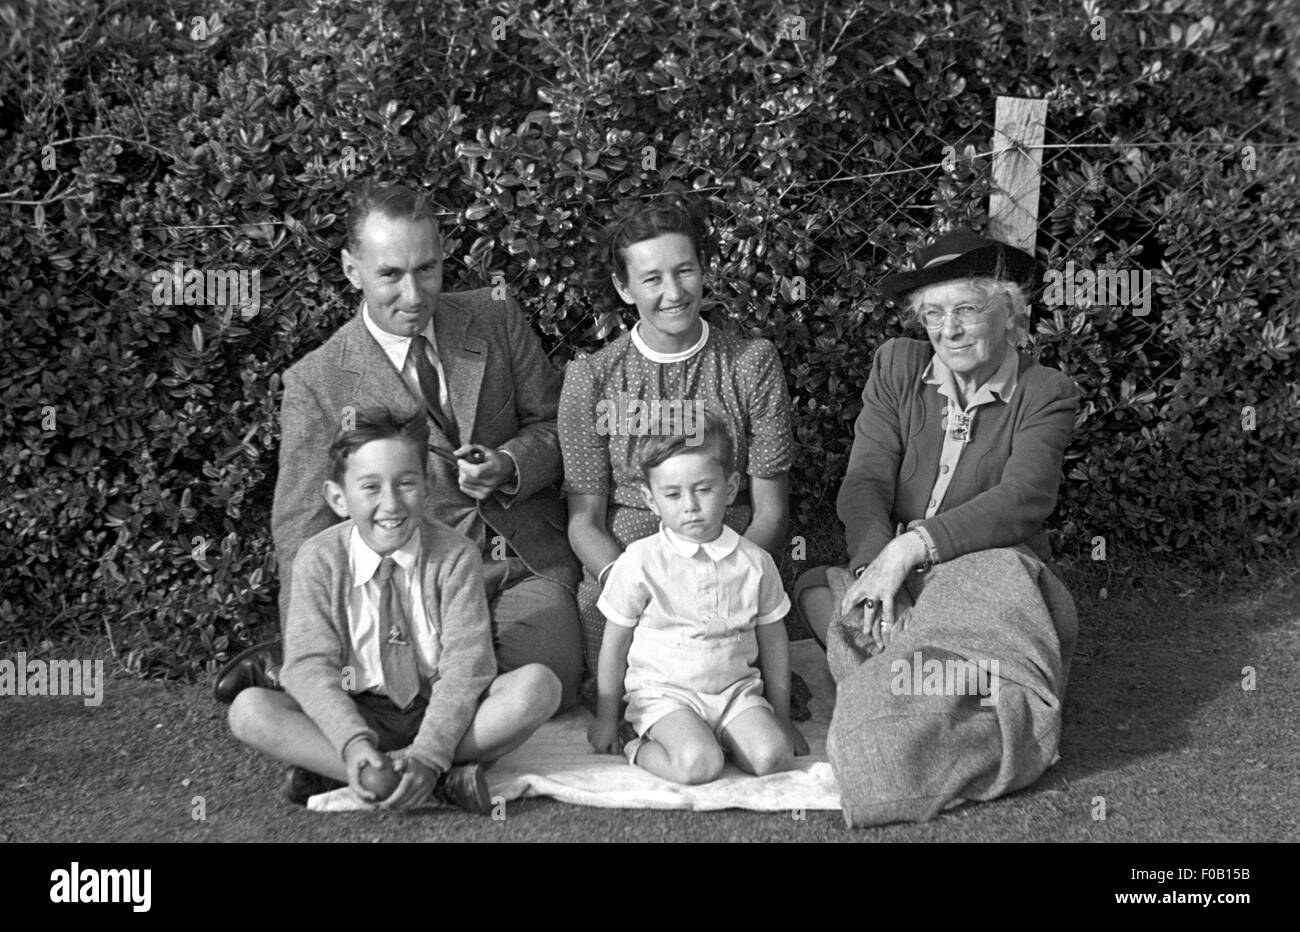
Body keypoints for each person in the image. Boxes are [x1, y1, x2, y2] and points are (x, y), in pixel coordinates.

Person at [215, 183, 583, 711]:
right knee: (460, 687)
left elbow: (554, 426)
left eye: (426, 270)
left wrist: (508, 464)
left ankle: (377, 719)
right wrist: (307, 647)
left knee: (550, 683)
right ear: (351, 270)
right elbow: (302, 527)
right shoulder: (318, 382)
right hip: (410, 582)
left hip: (520, 566)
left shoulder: (496, 317)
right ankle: (333, 685)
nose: (413, 295)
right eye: (390, 274)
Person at [794, 229, 1081, 827]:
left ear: (1008, 313)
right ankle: (903, 692)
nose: (947, 330)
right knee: (839, 600)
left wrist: (912, 548)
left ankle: (924, 720)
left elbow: (1022, 499)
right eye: (932, 313)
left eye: (966, 309)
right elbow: (866, 481)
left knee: (874, 632)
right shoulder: (898, 366)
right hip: (898, 571)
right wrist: (879, 570)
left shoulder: (1045, 392)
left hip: (990, 572)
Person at [228, 407, 560, 811]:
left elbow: (466, 664)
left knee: (539, 687)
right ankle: (414, 777)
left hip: (438, 710)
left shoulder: (455, 556)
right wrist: (352, 743)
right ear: (339, 498)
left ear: (426, 487)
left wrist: (429, 753)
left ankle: (379, 774)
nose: (391, 504)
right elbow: (310, 666)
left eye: (406, 483)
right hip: (359, 708)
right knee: (249, 710)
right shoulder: (318, 559)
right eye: (370, 487)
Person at [559, 197, 794, 689]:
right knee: (632, 696)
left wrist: (722, 583)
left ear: (703, 271)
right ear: (624, 289)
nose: (673, 292)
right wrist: (630, 584)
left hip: (733, 561)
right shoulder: (593, 377)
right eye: (651, 279)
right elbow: (584, 519)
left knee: (738, 698)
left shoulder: (750, 363)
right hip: (631, 572)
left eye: (684, 271)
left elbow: (771, 510)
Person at [588, 412, 807, 784]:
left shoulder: (754, 562)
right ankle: (635, 743)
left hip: (735, 694)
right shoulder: (640, 561)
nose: (689, 505)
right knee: (697, 765)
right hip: (665, 696)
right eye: (672, 494)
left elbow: (774, 641)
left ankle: (724, 735)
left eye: (703, 489)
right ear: (650, 499)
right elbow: (615, 641)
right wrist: (607, 717)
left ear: (731, 485)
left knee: (773, 757)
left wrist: (781, 719)